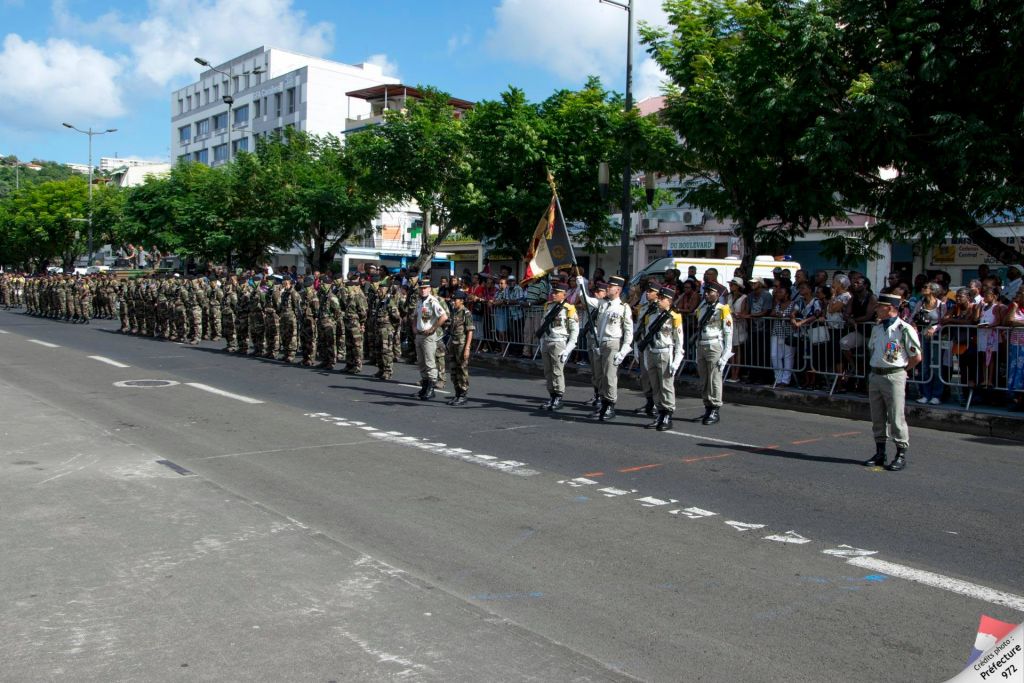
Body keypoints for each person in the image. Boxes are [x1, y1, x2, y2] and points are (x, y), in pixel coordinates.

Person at [862, 293, 922, 471]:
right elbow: (873, 350)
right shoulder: (878, 328)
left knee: (896, 417)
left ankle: (901, 453)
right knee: (877, 416)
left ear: (889, 309)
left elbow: (916, 357)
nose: (876, 309)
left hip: (893, 375)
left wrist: (902, 371)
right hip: (876, 375)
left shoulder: (904, 329)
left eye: (880, 306)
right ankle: (880, 452)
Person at [577, 274, 633, 421]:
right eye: (607, 286)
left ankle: (610, 405)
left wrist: (624, 349)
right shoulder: (603, 303)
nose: (608, 288)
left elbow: (628, 331)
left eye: (610, 286)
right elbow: (586, 300)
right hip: (600, 343)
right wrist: (580, 285)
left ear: (618, 290)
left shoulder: (623, 308)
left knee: (610, 376)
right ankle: (603, 403)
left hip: (612, 343)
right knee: (600, 376)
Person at [638, 287, 684, 431]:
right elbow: (646, 337)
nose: (658, 301)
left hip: (665, 353)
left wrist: (676, 362)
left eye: (662, 298)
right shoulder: (650, 315)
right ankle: (659, 412)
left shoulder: (674, 317)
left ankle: (667, 414)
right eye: (658, 298)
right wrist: (645, 358)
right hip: (652, 352)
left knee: (666, 386)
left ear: (669, 300)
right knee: (655, 386)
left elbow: (679, 342)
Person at [693, 286, 734, 424]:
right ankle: (707, 407)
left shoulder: (723, 309)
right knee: (704, 379)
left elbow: (728, 333)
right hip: (702, 344)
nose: (706, 294)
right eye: (705, 292)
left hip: (714, 345)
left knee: (714, 378)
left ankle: (715, 408)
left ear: (717, 293)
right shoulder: (702, 308)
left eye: (710, 292)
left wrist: (725, 355)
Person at [538, 282, 579, 410]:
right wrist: (541, 342)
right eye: (553, 292)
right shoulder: (548, 306)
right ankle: (551, 395)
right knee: (548, 371)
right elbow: (543, 325)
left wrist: (568, 348)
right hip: (547, 340)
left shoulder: (569, 308)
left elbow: (574, 330)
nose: (553, 294)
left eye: (557, 292)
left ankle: (558, 397)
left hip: (559, 342)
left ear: (564, 294)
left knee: (557, 371)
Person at [413, 280, 448, 400]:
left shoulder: (432, 301)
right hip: (419, 334)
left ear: (429, 289)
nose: (423, 290)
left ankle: (431, 388)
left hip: (428, 336)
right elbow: (415, 315)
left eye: (425, 288)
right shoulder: (420, 301)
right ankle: (425, 386)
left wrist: (433, 328)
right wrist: (414, 327)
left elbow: (443, 316)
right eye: (421, 288)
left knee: (429, 362)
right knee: (421, 362)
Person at [632, 281, 662, 417]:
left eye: (651, 291)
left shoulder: (660, 309)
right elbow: (638, 327)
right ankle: (649, 401)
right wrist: (636, 346)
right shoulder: (643, 308)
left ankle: (658, 403)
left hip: (654, 346)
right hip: (643, 344)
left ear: (658, 294)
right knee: (645, 376)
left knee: (655, 377)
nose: (648, 293)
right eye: (647, 291)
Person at [446, 290, 475, 405]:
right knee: (453, 369)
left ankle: (463, 394)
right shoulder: (454, 312)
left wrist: (467, 348)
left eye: (455, 300)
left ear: (462, 301)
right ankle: (457, 393)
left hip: (461, 345)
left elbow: (470, 331)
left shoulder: (466, 313)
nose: (453, 302)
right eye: (453, 300)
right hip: (453, 343)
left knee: (462, 369)